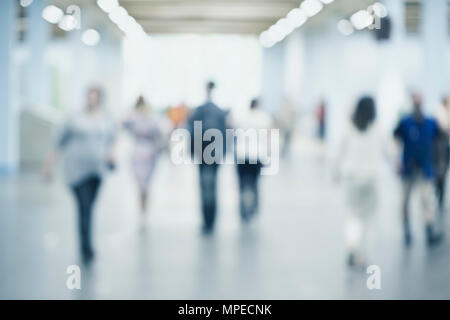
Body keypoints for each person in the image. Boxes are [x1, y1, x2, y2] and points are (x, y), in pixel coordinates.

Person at [43, 87, 117, 262]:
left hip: (97, 171)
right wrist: (48, 165)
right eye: (89, 96)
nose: (91, 100)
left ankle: (87, 244)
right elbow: (58, 142)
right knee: (84, 207)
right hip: (76, 171)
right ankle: (86, 246)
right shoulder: (73, 118)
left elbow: (111, 140)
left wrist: (111, 154)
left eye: (95, 97)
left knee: (89, 207)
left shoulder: (105, 118)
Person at [334, 96, 382, 269]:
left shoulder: (349, 128)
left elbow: (340, 151)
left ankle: (351, 246)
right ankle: (363, 255)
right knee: (367, 219)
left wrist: (336, 172)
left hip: (352, 179)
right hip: (371, 179)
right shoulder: (377, 129)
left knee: (353, 216)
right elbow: (386, 152)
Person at [394, 92, 443, 247]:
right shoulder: (405, 122)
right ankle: (406, 230)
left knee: (425, 200)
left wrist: (439, 162)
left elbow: (440, 141)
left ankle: (429, 230)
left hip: (424, 168)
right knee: (405, 202)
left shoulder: (430, 122)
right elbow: (395, 138)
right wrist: (396, 160)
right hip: (408, 168)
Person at [187, 81, 227, 234]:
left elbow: (191, 131)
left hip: (203, 156)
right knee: (212, 187)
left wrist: (192, 153)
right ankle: (211, 221)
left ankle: (207, 221)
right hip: (213, 156)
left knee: (205, 187)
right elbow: (225, 134)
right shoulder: (219, 112)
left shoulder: (199, 111)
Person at [123, 96, 163, 221]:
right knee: (140, 183)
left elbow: (160, 131)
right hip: (138, 153)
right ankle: (141, 209)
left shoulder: (152, 118)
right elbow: (123, 123)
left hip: (150, 152)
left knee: (146, 184)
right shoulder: (134, 118)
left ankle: (144, 208)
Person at [235, 98, 272, 222]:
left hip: (241, 155)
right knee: (255, 183)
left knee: (242, 184)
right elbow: (267, 138)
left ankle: (243, 209)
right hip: (257, 155)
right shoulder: (264, 118)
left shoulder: (242, 117)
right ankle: (254, 207)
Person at [434, 96, 450, 211]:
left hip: (445, 147)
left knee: (442, 172)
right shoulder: (440, 112)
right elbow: (442, 128)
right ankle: (439, 197)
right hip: (441, 148)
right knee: (441, 172)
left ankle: (440, 197)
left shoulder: (445, 112)